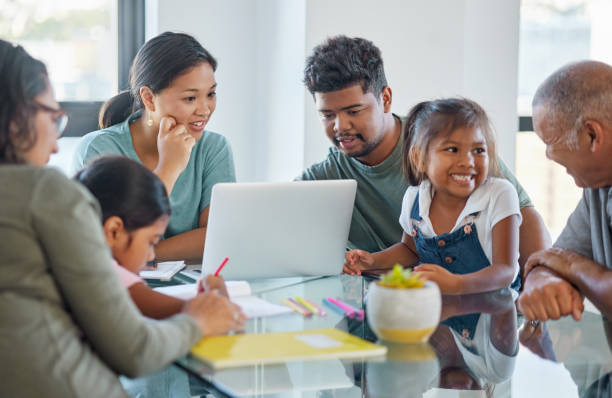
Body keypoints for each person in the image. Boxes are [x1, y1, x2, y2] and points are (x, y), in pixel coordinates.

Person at [0, 40, 244, 397]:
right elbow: (136, 351)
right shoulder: (45, 190)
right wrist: (198, 320)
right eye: (53, 118)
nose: (56, 145)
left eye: (210, 95)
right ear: (16, 116)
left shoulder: (213, 147)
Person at [298, 35, 550, 272]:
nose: (340, 126)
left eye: (353, 111)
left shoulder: (439, 141)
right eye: (327, 115)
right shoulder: (324, 176)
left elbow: (524, 217)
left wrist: (538, 287)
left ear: (385, 99)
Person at [73, 31, 235, 261]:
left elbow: (217, 236)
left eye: (211, 94)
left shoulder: (214, 148)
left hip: (190, 284)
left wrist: (144, 252)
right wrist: (169, 168)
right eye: (190, 98)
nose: (205, 109)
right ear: (148, 98)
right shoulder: (99, 150)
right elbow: (104, 246)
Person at [344, 98, 520, 294]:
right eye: (452, 149)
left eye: (478, 150)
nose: (468, 161)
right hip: (437, 310)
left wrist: (456, 284)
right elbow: (410, 250)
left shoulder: (500, 194)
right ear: (419, 158)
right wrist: (372, 260)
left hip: (494, 313)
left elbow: (505, 271)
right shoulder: (414, 198)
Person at [518, 60, 612, 321]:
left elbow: (566, 260)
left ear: (592, 135)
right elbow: (555, 257)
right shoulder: (598, 185)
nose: (547, 155)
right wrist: (542, 281)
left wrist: (573, 266)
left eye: (550, 141)